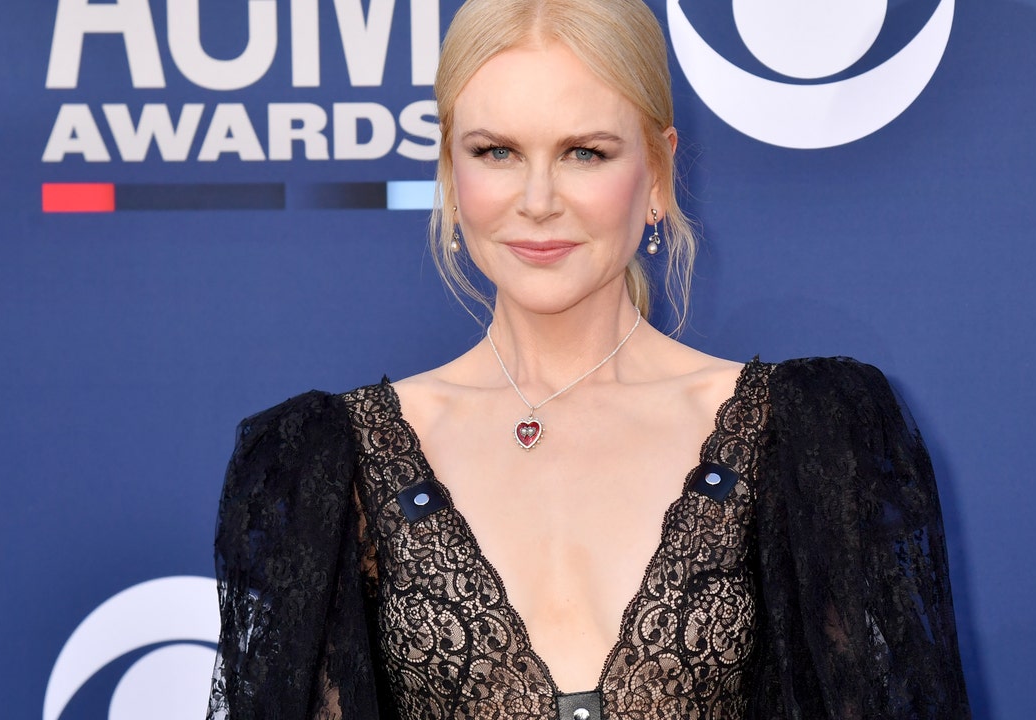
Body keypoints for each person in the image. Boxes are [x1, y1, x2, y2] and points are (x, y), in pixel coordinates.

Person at [207, 0, 971, 718]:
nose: (539, 200)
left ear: (657, 173)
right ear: (450, 171)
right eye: (497, 151)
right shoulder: (330, 464)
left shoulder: (806, 437)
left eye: (584, 153)